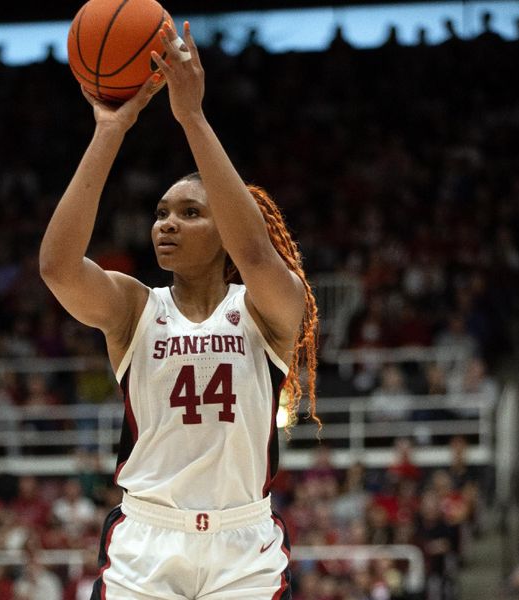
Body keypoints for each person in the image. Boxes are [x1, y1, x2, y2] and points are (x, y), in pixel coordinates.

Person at [40, 21, 318, 599]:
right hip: (146, 540)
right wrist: (111, 131)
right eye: (162, 211)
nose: (167, 222)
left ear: (228, 231)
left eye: (191, 213)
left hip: (244, 545)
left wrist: (192, 116)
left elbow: (254, 251)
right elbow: (58, 268)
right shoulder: (134, 307)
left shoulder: (270, 305)